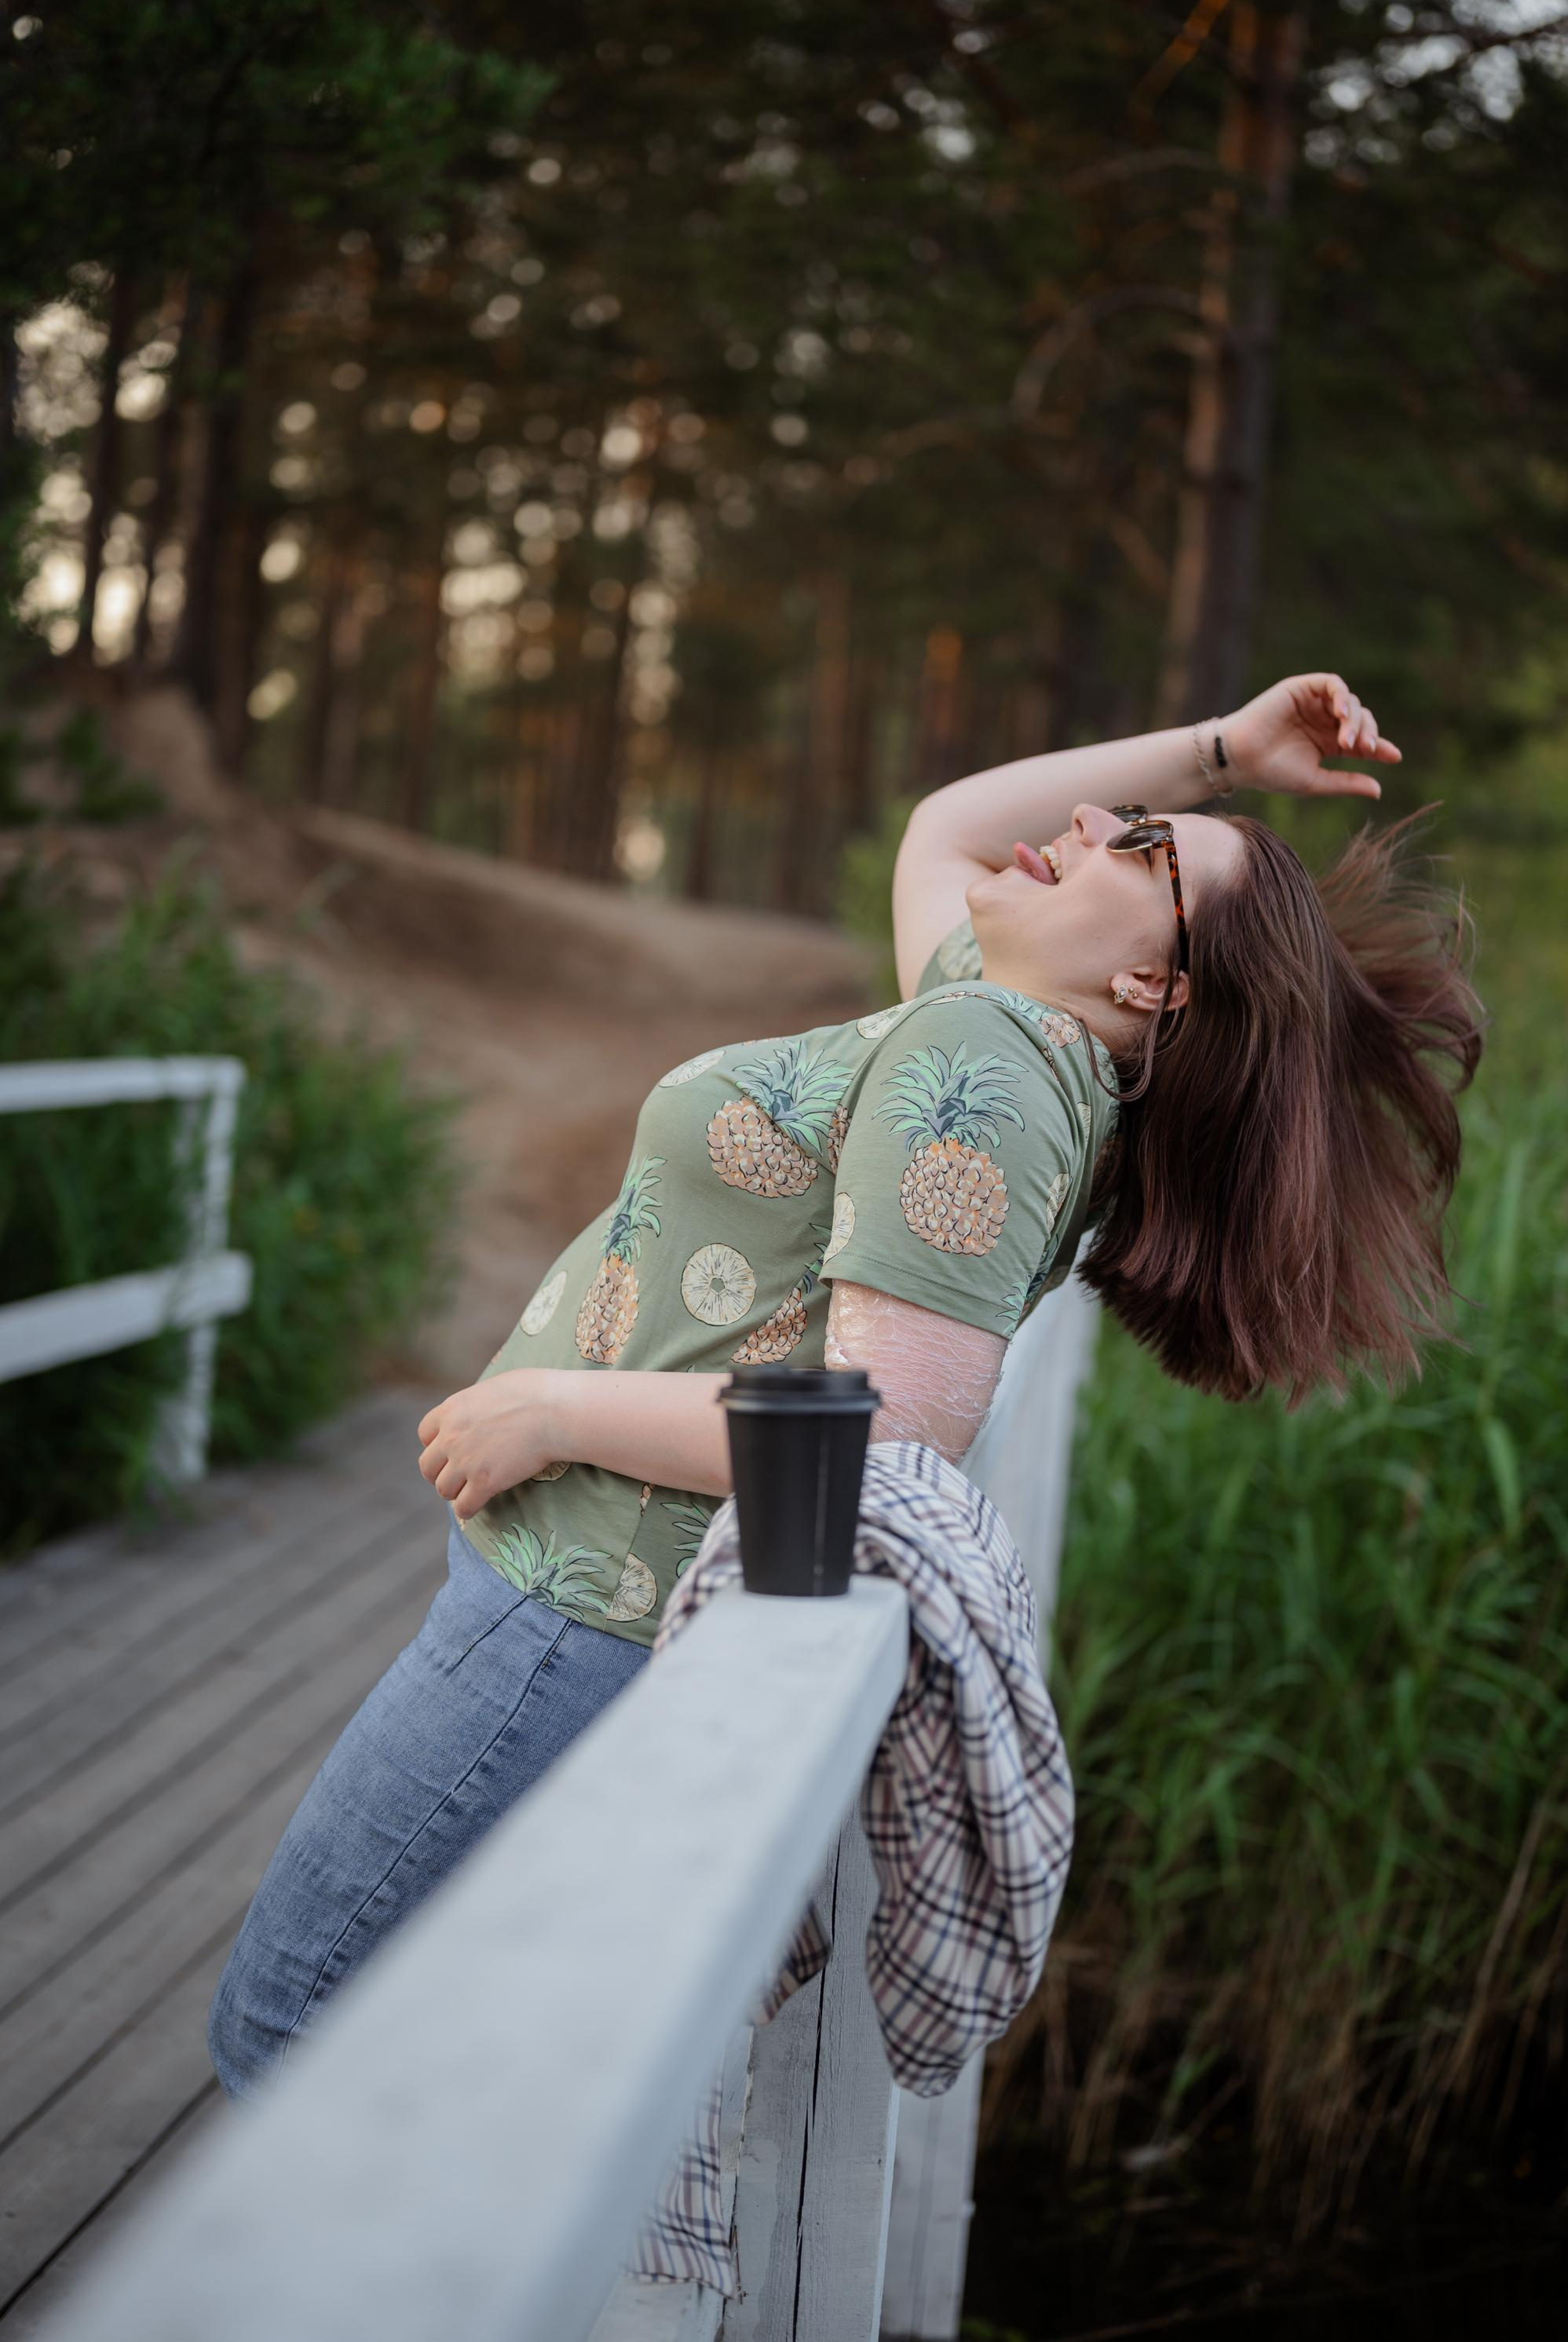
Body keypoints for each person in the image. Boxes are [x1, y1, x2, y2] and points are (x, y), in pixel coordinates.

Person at [208, 669, 1483, 2093]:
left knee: (289, 2026)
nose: (1089, 818)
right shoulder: (1012, 1022)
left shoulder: (995, 1065)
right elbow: (943, 832)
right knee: (414, 2038)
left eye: (1141, 849)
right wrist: (1222, 753)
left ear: (1155, 983)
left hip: (589, 1604)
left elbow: (883, 1437)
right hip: (567, 1581)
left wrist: (553, 1407)